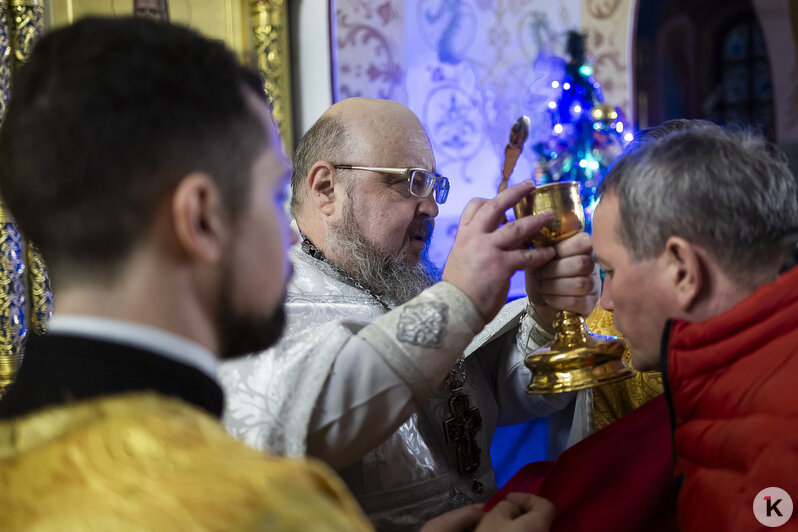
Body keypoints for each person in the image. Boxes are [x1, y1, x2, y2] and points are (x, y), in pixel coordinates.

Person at [0, 17, 557, 531]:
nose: (291, 231)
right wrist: (460, 298)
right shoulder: (261, 504)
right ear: (199, 219)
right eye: (271, 195)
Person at [221, 97, 601, 530]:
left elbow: (483, 396)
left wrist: (549, 318)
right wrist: (460, 298)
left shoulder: (393, 280)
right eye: (411, 183)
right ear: (326, 188)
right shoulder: (266, 314)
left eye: (434, 185)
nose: (432, 208)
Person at [489, 123, 798, 531]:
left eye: (610, 270)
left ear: (683, 270)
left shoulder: (772, 441)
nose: (607, 301)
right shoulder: (728, 379)